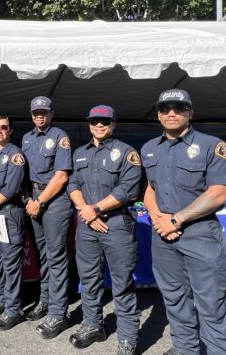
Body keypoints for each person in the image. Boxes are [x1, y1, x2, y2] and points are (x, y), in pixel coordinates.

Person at [141, 89, 226, 355]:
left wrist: (176, 219)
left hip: (200, 233)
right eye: (165, 108)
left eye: (179, 107)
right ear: (159, 114)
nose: (171, 113)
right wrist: (159, 219)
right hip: (163, 235)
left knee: (211, 304)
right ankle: (186, 350)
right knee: (174, 300)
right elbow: (150, 189)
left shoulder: (212, 145)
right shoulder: (149, 148)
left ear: (190, 112)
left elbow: (219, 193)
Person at [67, 106, 141, 355]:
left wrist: (95, 209)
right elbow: (73, 183)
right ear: (89, 124)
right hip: (88, 225)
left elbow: (127, 190)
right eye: (95, 121)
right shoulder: (79, 153)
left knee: (121, 282)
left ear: (113, 123)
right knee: (89, 280)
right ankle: (93, 325)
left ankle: (128, 338)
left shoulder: (127, 152)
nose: (99, 125)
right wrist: (86, 210)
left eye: (105, 121)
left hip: (116, 224)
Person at [20, 96, 73, 339]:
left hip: (55, 201)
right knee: (43, 255)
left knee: (56, 256)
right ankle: (45, 299)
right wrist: (30, 201)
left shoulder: (60, 136)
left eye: (44, 112)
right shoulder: (27, 137)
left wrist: (40, 202)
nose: (39, 116)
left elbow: (61, 176)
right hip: (34, 200)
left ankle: (58, 313)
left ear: (51, 113)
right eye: (36, 112)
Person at [0, 116, 27, 331]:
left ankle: (14, 309)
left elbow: (11, 189)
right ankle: (1, 302)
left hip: (9, 214)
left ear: (10, 131)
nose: (0, 130)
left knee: (10, 263)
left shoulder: (15, 155)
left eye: (4, 127)